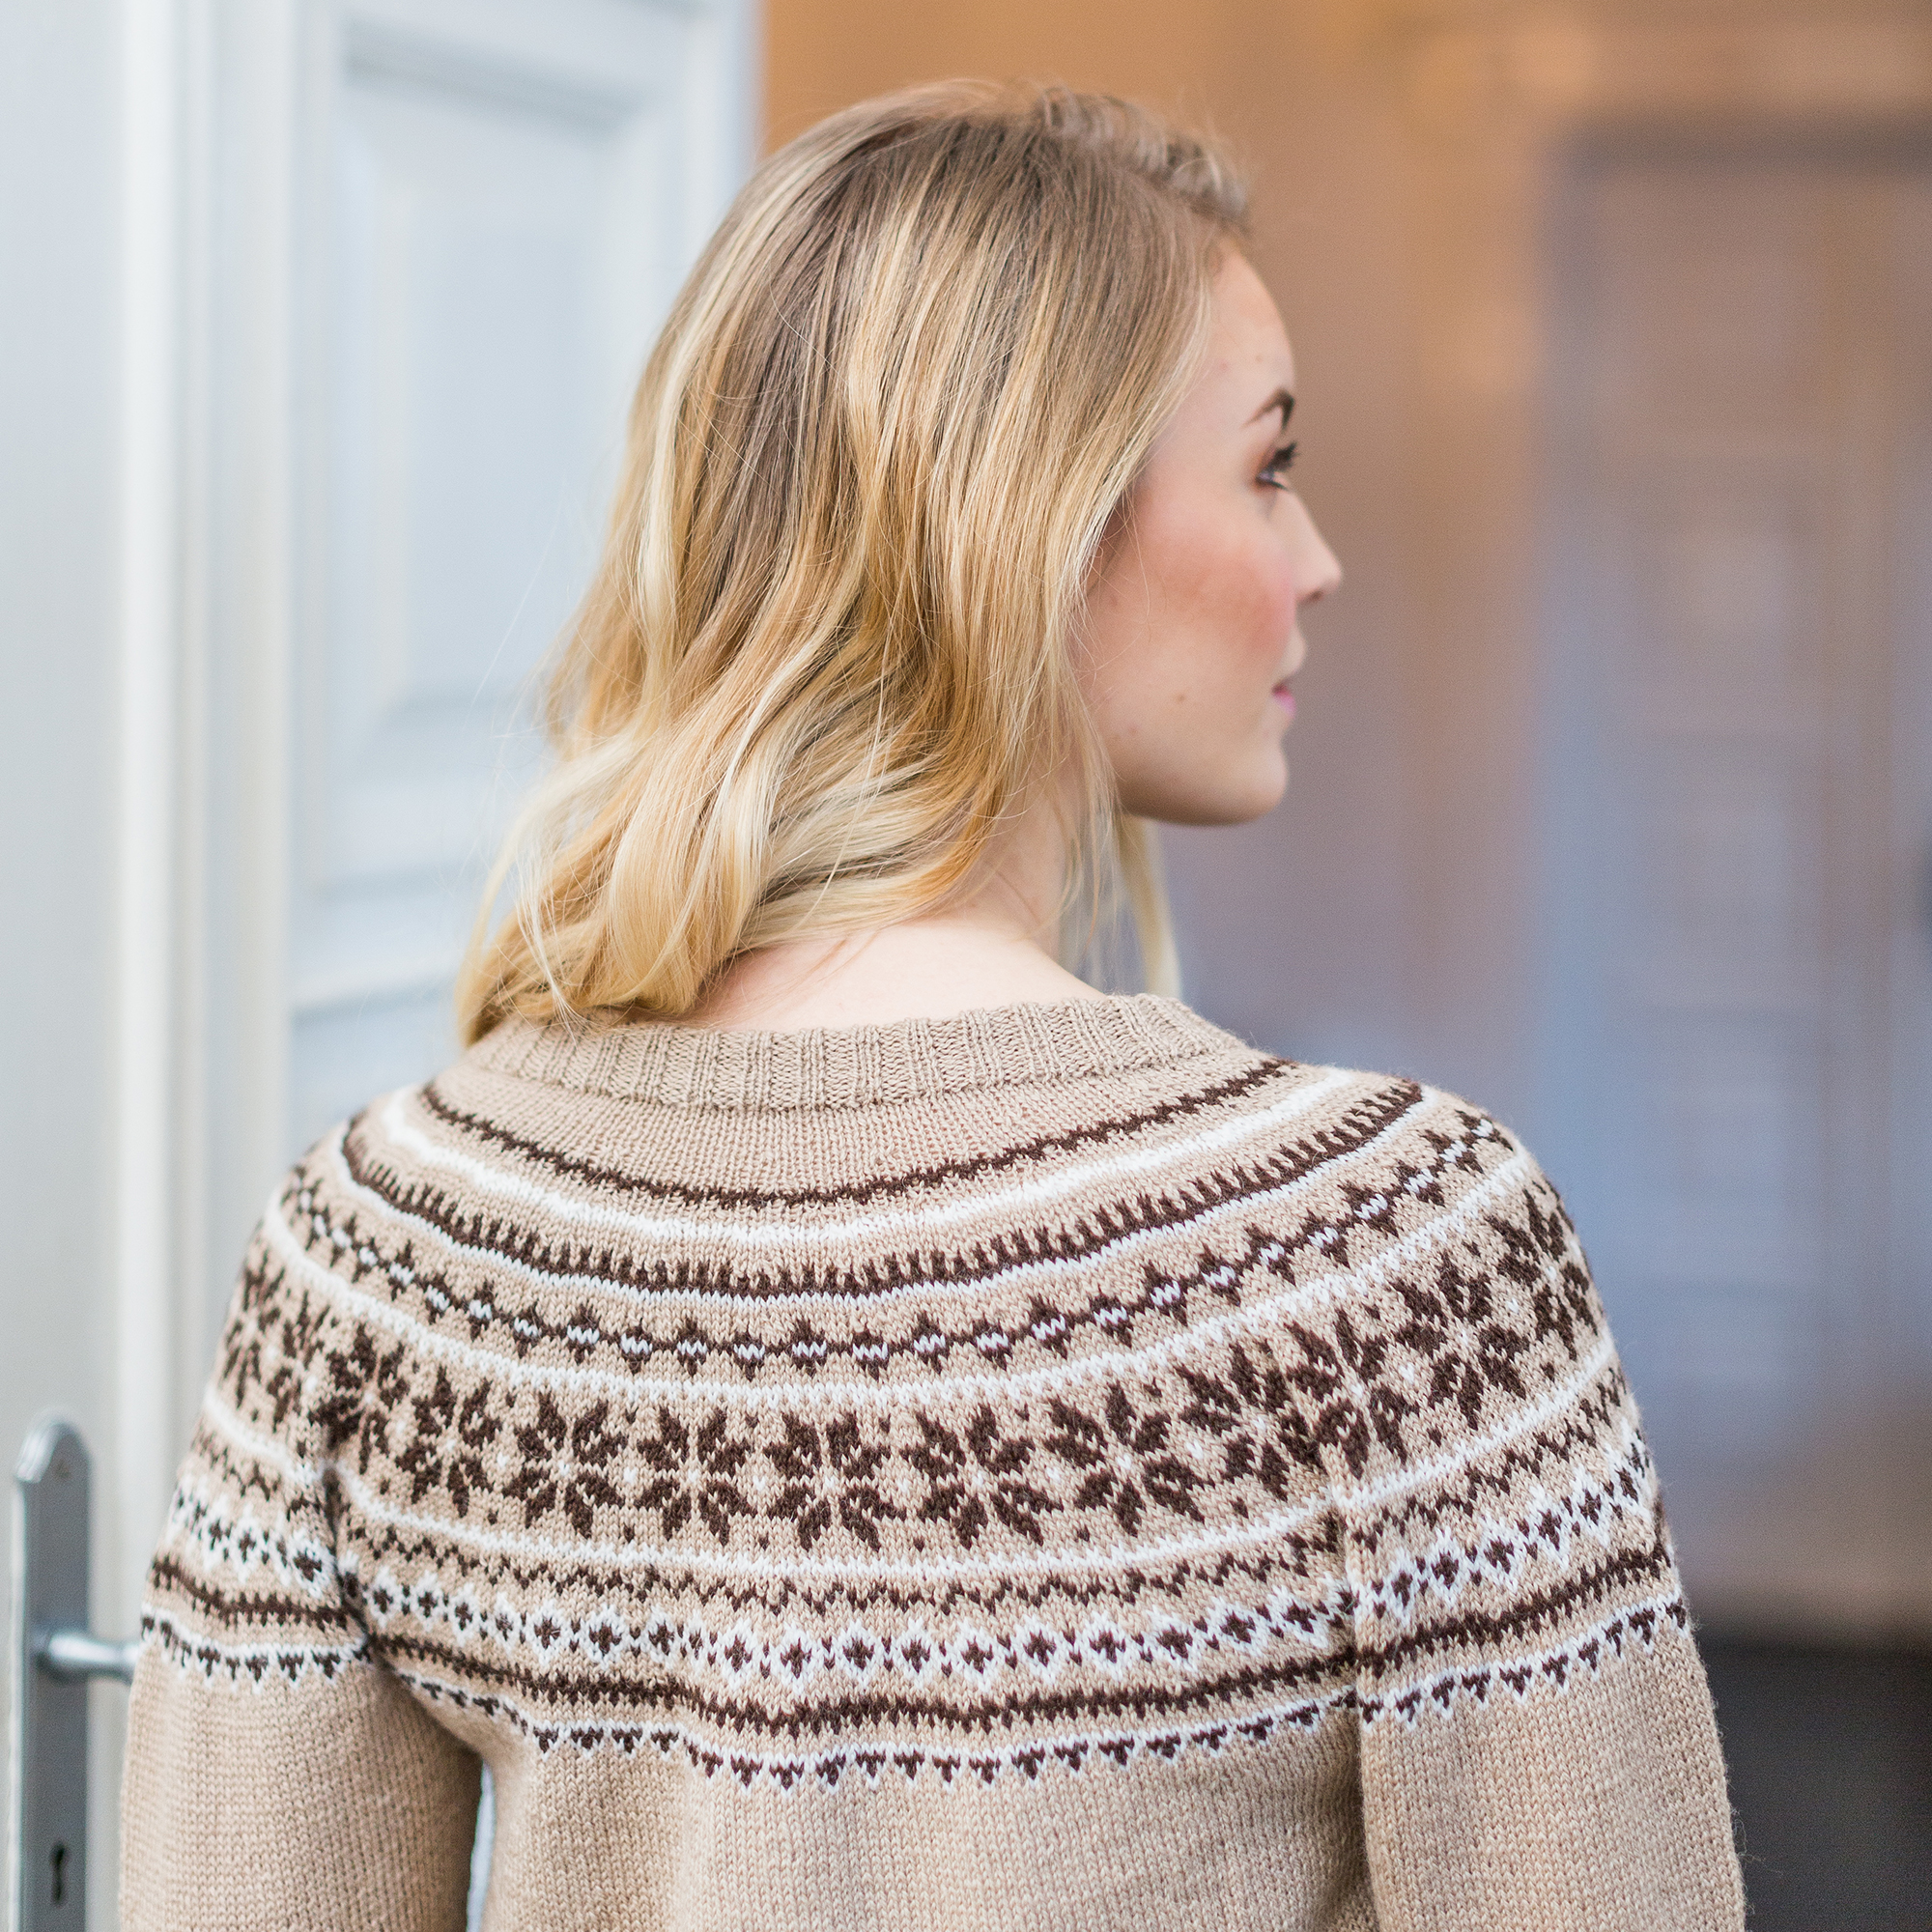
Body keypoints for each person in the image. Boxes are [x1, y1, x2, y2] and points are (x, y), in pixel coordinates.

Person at [121, 81, 1745, 1930]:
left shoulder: (379, 1255)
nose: (1319, 561)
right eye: (1270, 465)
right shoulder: (1390, 1267)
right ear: (1034, 521)